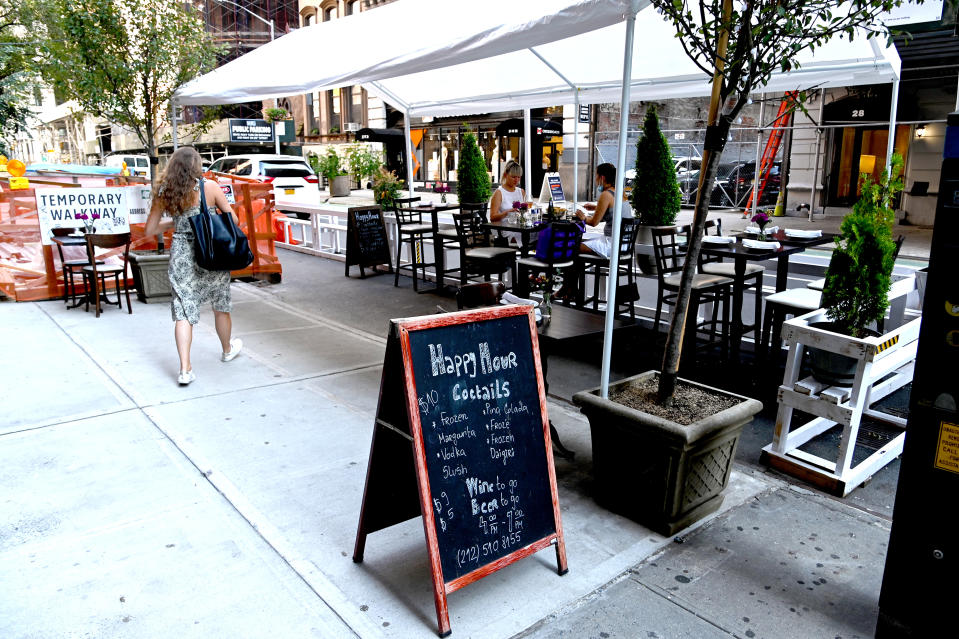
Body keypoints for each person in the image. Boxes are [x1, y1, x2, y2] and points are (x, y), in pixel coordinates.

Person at [145, 147, 243, 386]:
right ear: (198, 165)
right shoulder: (209, 187)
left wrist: (177, 223)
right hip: (212, 251)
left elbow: (150, 231)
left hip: (182, 255)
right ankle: (227, 349)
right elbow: (234, 221)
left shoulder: (164, 192)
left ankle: (185, 369)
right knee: (220, 304)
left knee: (183, 311)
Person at [555, 163, 631, 300]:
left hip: (611, 245)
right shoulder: (621, 193)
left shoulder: (605, 195)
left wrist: (583, 217)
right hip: (623, 245)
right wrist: (595, 208)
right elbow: (612, 216)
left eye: (596, 176)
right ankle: (571, 288)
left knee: (571, 247)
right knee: (578, 245)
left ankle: (569, 288)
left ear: (602, 177)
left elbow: (594, 222)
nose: (596, 179)